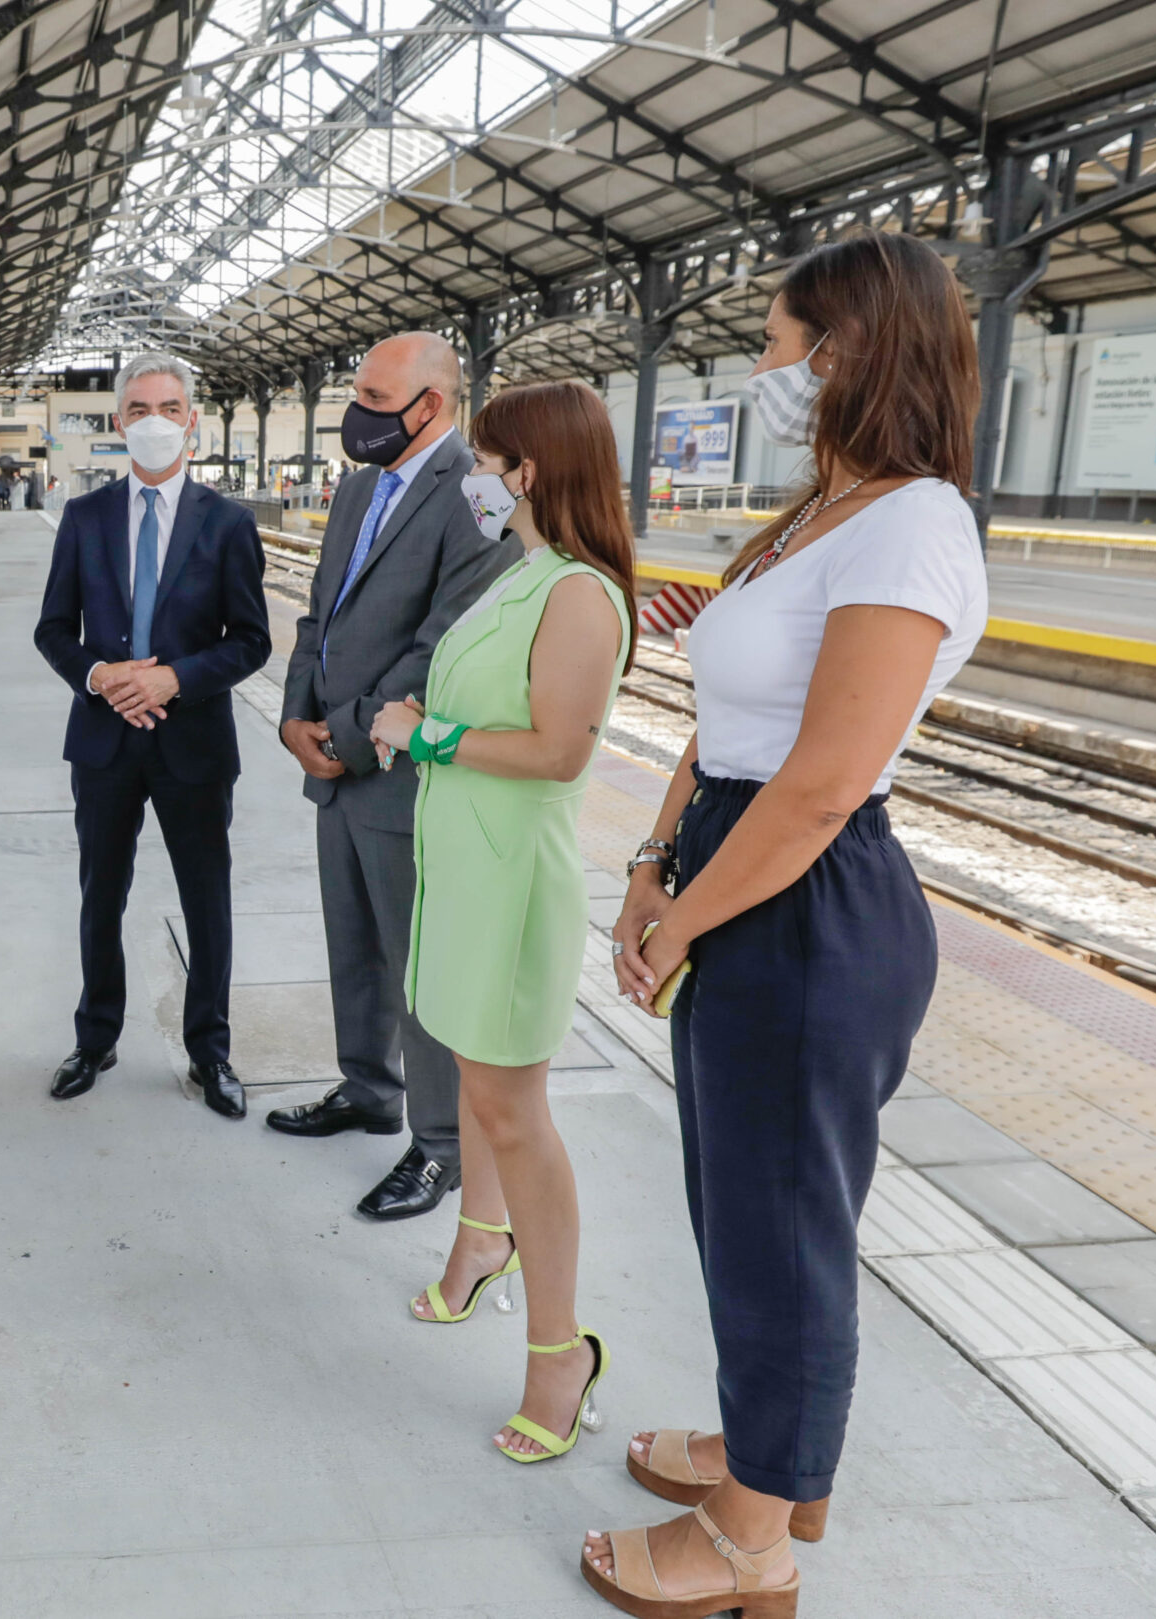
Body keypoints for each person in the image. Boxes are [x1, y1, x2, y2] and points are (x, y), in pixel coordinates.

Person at [585, 230, 988, 1618]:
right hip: (734, 870)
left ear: (850, 349)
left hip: (805, 907)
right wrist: (652, 863)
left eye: (775, 342)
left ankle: (756, 1534)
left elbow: (820, 781)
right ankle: (773, 1452)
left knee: (783, 1222)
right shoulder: (817, 511)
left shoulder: (915, 521)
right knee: (739, 1204)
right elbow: (735, 730)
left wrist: (688, 918)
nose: (760, 368)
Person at [368, 380, 634, 1473]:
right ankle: (481, 1242)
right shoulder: (519, 575)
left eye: (485, 461)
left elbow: (560, 754)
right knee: (474, 1077)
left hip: (512, 880)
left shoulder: (578, 594)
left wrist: (421, 736)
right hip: (464, 865)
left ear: (527, 471)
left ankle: (560, 1353)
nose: (472, 479)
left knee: (511, 1110)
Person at [268, 333, 515, 1221]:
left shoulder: (481, 498)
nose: (356, 413)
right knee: (354, 944)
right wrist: (295, 716)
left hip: (401, 769)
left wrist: (348, 735)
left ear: (432, 408)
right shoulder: (362, 484)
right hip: (334, 758)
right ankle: (368, 1091)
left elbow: (445, 641)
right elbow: (319, 611)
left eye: (376, 397)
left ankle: (440, 1143)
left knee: (421, 968)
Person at [35, 353, 271, 1117]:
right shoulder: (84, 517)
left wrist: (173, 678)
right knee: (101, 894)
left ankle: (212, 1051)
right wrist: (102, 676)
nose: (155, 421)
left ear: (193, 419)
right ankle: (95, 1036)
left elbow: (251, 640)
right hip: (105, 741)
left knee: (207, 900)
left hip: (193, 740)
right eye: (139, 409)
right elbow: (51, 630)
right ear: (118, 423)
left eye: (169, 406)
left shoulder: (228, 522)